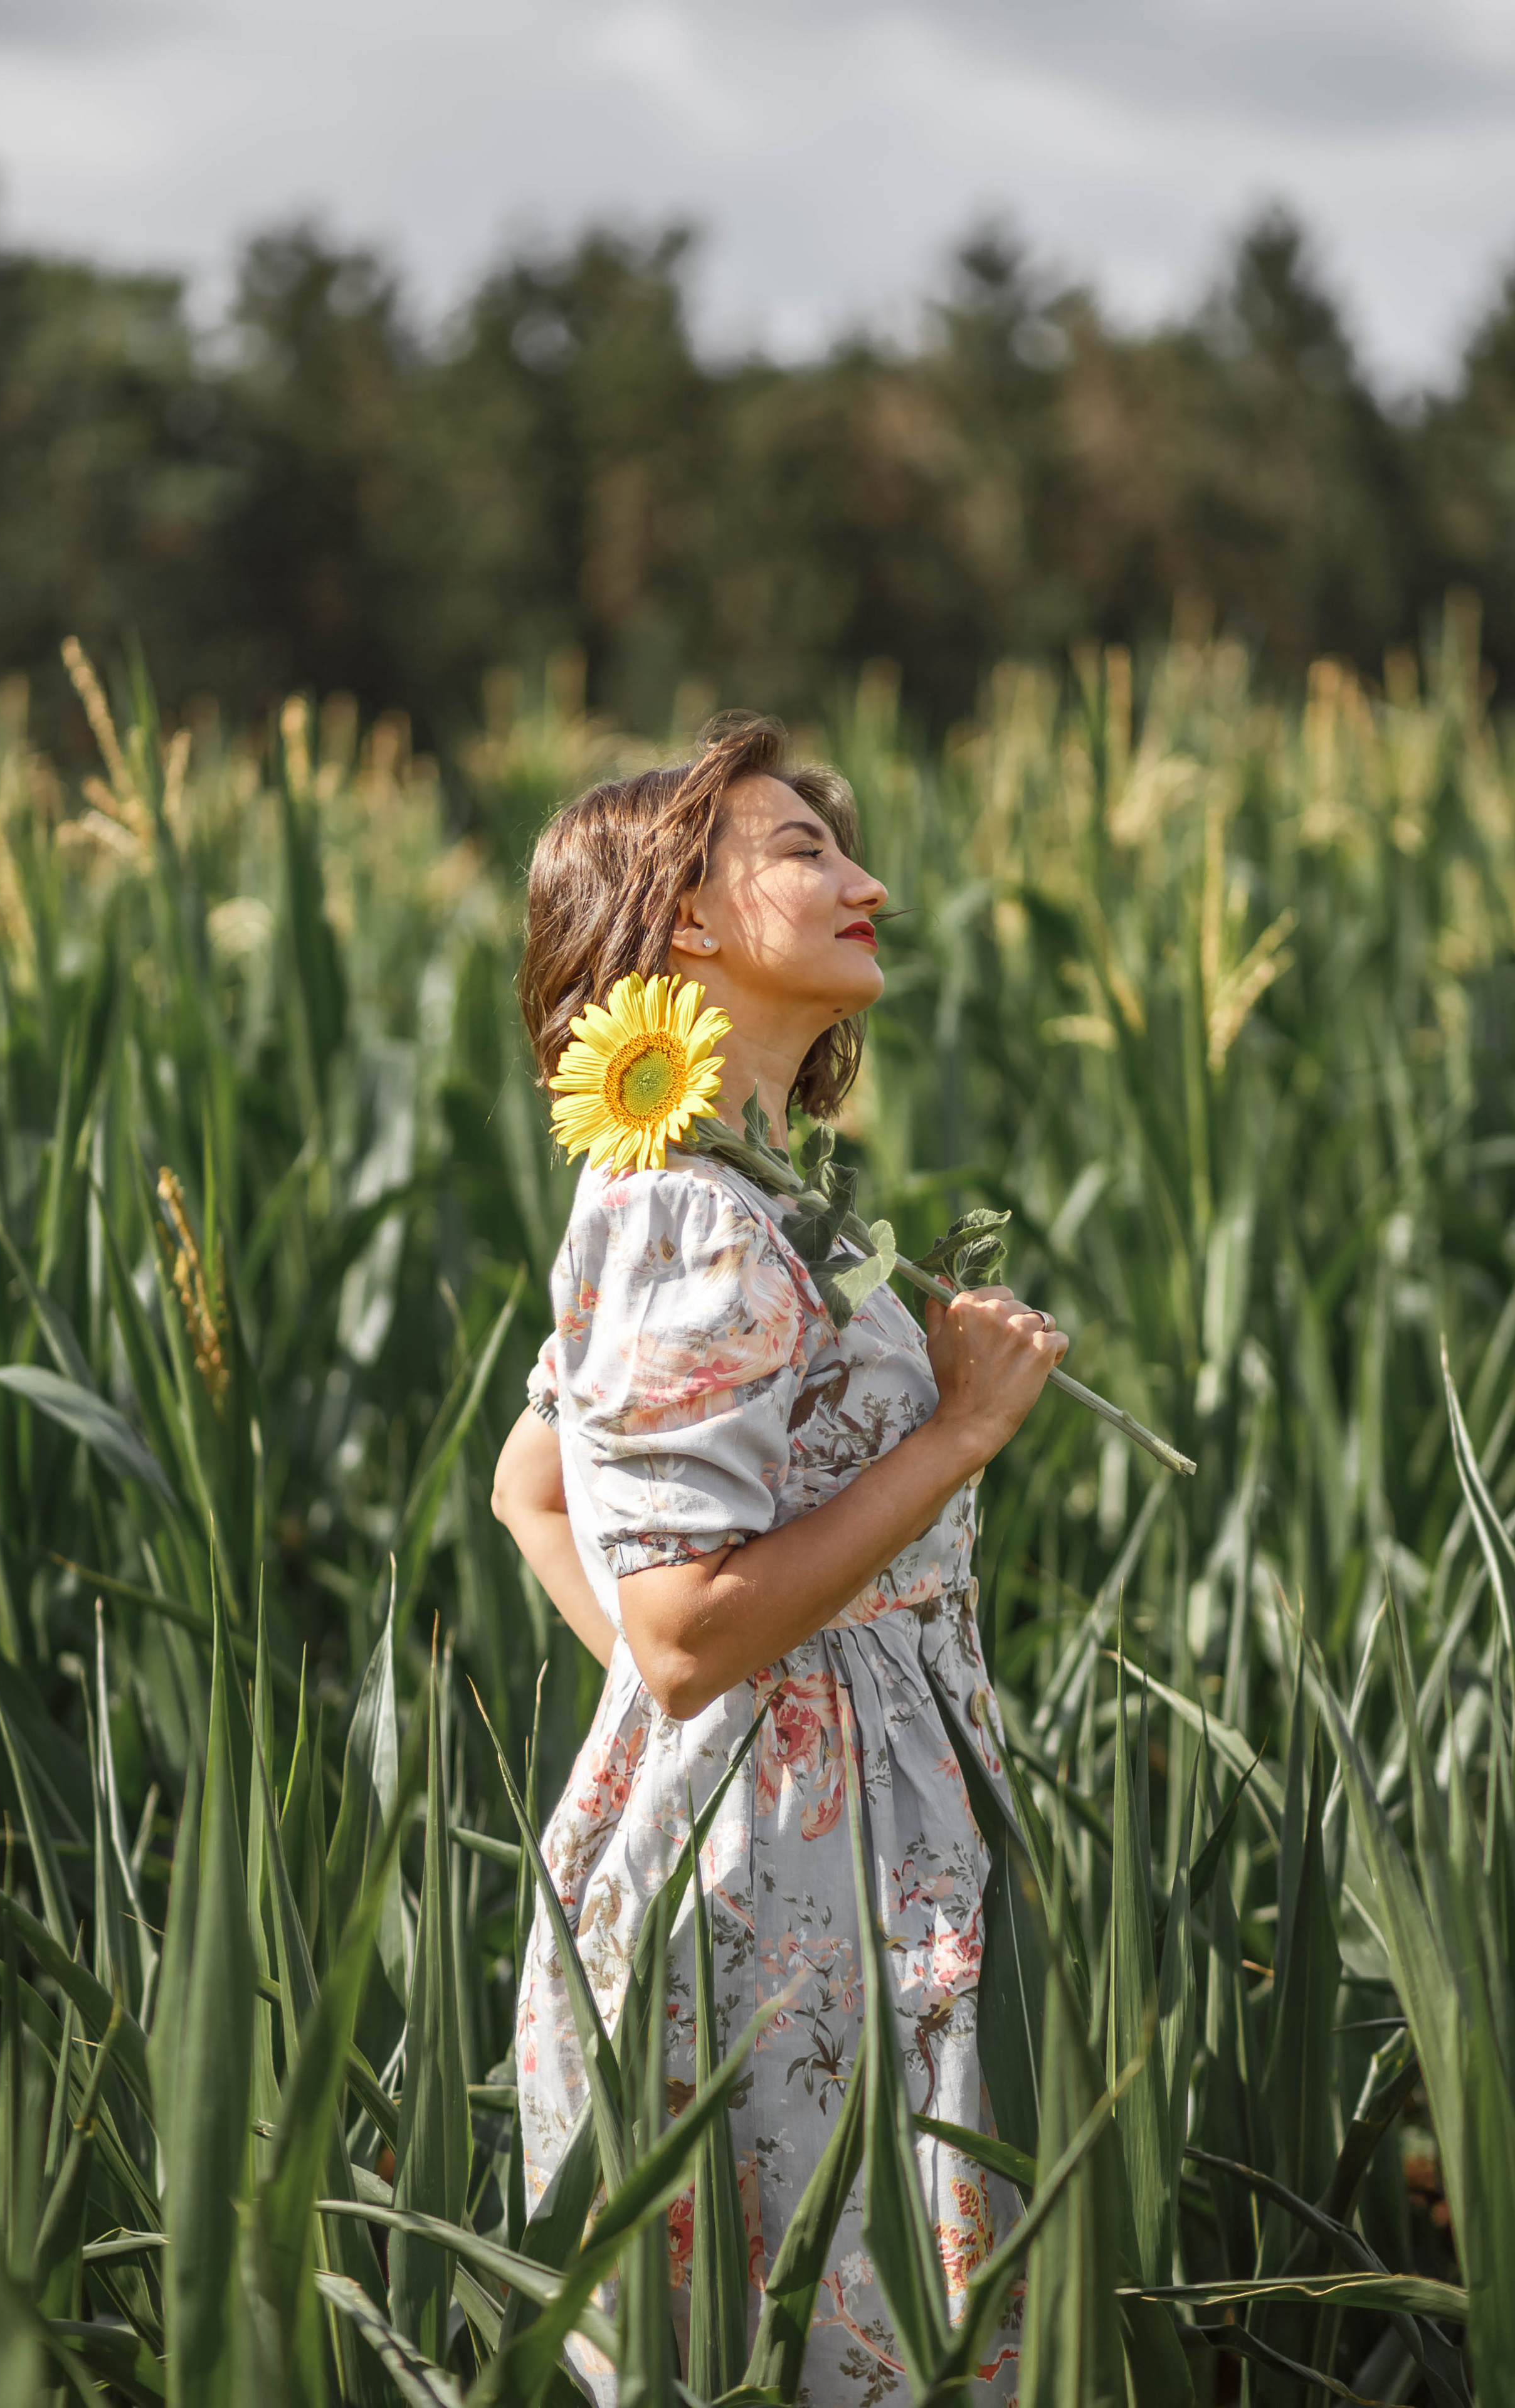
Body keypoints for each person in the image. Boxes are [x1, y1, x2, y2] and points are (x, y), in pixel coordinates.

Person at [490, 716, 1069, 2404]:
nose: (867, 882)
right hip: (783, 1904)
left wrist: (722, 1721)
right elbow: (681, 1632)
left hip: (819, 1848)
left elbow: (533, 1490)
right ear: (680, 919)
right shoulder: (680, 1210)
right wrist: (957, 1435)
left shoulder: (741, 1196)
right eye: (804, 849)